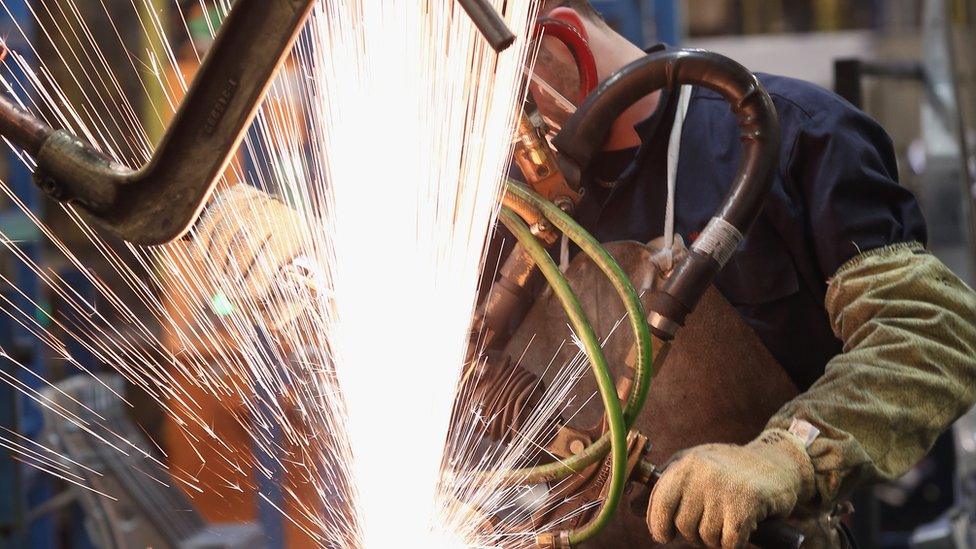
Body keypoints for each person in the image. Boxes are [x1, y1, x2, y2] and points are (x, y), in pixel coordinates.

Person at [194, 1, 976, 546]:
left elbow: (929, 334)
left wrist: (783, 456)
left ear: (554, 45)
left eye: (487, 126)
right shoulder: (490, 208)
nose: (478, 166)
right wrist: (298, 270)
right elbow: (435, 372)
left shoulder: (789, 141)